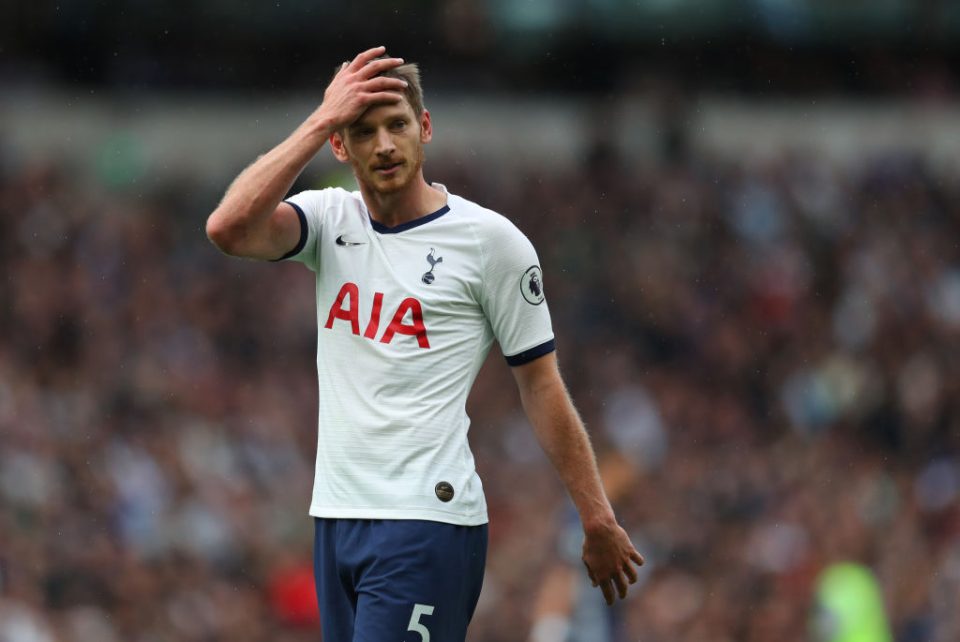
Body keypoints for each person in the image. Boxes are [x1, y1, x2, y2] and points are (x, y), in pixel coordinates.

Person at [205, 46, 644, 641]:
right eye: (362, 131)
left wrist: (596, 517)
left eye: (398, 126)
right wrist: (318, 119)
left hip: (425, 521)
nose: (384, 145)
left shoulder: (490, 243)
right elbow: (228, 229)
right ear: (340, 145)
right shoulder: (330, 220)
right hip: (337, 517)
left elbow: (540, 384)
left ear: (425, 128)